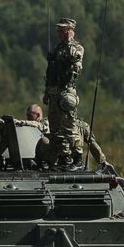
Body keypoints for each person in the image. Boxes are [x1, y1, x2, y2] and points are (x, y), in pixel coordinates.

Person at [43, 17, 84, 167]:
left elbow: (77, 65)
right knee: (55, 128)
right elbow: (50, 72)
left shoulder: (76, 47)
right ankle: (63, 157)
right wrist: (47, 92)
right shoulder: (57, 49)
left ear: (71, 31)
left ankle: (77, 157)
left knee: (69, 126)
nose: (61, 33)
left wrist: (69, 42)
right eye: (60, 31)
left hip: (66, 91)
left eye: (64, 30)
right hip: (54, 91)